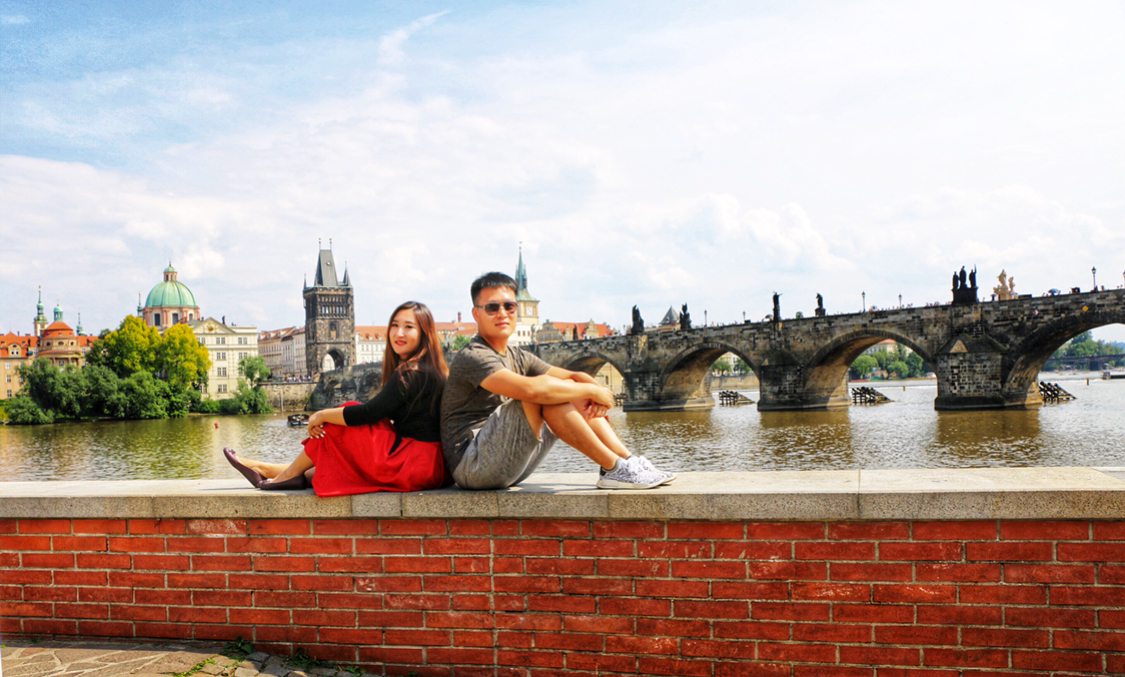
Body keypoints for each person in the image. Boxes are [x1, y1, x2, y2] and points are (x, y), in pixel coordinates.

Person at [440, 272, 675, 491]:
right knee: (546, 393)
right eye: (492, 307)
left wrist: (594, 391)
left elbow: (574, 376)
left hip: (508, 460)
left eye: (509, 306)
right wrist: (591, 391)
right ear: (476, 314)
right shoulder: (474, 355)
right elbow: (533, 390)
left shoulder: (518, 355)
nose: (502, 313)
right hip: (473, 465)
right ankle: (613, 468)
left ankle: (626, 461)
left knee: (562, 389)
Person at [224, 301, 450, 496]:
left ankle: (287, 474)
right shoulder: (426, 368)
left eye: (408, 327)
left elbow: (368, 413)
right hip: (428, 464)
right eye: (394, 325)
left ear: (424, 333)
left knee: (342, 416)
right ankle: (266, 469)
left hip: (416, 462)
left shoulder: (410, 372)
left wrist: (322, 414)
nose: (399, 333)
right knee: (335, 463)